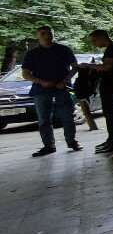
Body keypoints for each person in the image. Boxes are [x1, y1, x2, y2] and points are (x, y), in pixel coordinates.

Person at [21, 26, 81, 156]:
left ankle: (72, 141)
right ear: (37, 36)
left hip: (62, 88)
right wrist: (41, 82)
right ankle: (49, 146)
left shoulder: (64, 50)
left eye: (49, 34)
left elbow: (75, 67)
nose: (46, 36)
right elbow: (25, 74)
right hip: (41, 90)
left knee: (67, 116)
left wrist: (65, 81)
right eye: (43, 34)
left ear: (53, 35)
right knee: (44, 119)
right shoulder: (32, 53)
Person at [79, 30, 113, 154]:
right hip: (111, 84)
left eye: (94, 40)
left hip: (112, 84)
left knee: (112, 113)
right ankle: (111, 139)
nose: (94, 44)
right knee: (109, 112)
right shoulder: (112, 49)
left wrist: (89, 66)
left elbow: (107, 67)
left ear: (102, 37)